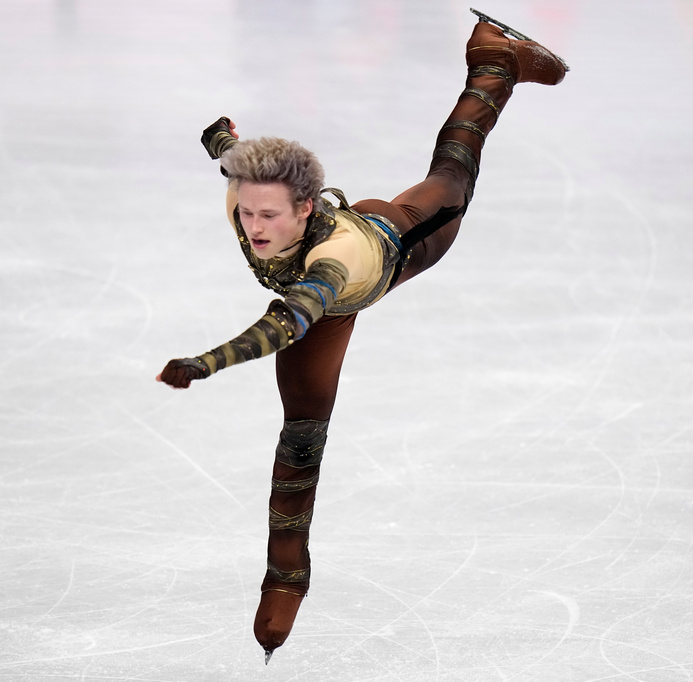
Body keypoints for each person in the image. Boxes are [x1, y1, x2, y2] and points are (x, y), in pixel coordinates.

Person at [156, 9, 568, 663]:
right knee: (302, 430)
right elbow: (232, 158)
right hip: (329, 296)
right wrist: (223, 139)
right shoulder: (247, 192)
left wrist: (204, 364)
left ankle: (492, 65)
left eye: (273, 217)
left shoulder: (329, 262)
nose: (257, 228)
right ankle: (285, 576)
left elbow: (283, 323)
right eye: (252, 211)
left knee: (454, 178)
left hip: (395, 243)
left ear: (308, 210)